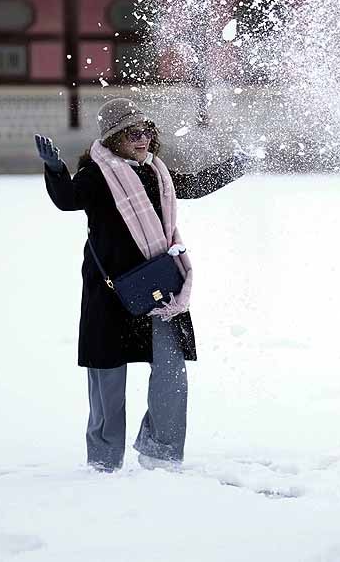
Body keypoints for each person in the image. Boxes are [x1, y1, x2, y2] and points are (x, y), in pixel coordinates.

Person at [35, 98, 248, 472]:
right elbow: (68, 200)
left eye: (147, 130)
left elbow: (194, 186)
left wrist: (237, 165)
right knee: (108, 380)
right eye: (133, 132)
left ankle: (160, 451)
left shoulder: (157, 173)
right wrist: (55, 170)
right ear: (114, 138)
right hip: (110, 291)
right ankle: (103, 461)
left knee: (171, 371)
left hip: (160, 286)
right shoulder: (97, 175)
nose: (143, 138)